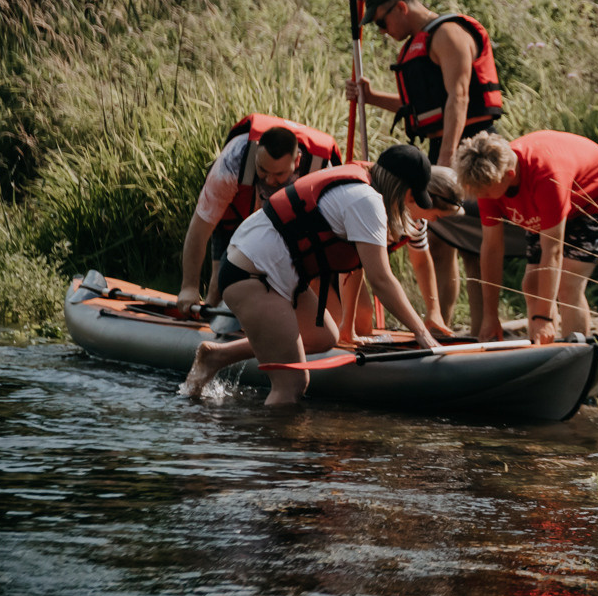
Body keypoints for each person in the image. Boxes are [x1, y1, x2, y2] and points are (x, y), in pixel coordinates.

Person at [179, 146, 456, 407]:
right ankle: (273, 455)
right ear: (399, 187)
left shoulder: (365, 191)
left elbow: (358, 267)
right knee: (293, 382)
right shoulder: (367, 200)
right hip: (251, 272)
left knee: (323, 336)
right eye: (411, 196)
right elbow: (381, 280)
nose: (411, 204)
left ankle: (216, 355)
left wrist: (350, 327)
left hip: (277, 270)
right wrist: (421, 333)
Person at [346, 0, 507, 328]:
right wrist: (370, 98)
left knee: (471, 242)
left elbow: (459, 96)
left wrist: (447, 163)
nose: (383, 31)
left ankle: (484, 328)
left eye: (381, 22)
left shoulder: (448, 34)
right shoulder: (419, 44)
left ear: (400, 7)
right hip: (443, 145)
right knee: (438, 238)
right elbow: (420, 105)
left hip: (472, 147)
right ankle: (442, 323)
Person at [454, 130, 598, 343]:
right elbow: (491, 248)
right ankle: (542, 352)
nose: (482, 198)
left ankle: (576, 353)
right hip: (545, 202)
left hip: (595, 195)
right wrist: (490, 316)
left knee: (567, 284)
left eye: (487, 193)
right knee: (532, 285)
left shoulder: (546, 176)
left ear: (509, 174)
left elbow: (552, 250)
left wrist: (544, 316)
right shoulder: (488, 183)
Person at [175, 114, 340, 319]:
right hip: (237, 218)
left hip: (290, 231)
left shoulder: (320, 171)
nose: (270, 180)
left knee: (299, 287)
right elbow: (200, 228)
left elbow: (332, 244)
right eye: (262, 170)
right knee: (219, 284)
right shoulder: (233, 161)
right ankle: (210, 324)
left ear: (296, 160)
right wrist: (189, 287)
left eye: (279, 174)